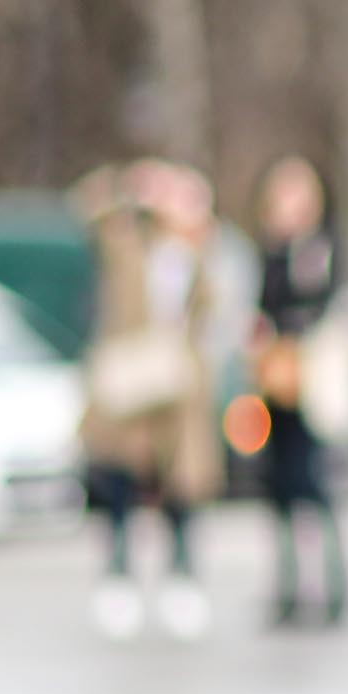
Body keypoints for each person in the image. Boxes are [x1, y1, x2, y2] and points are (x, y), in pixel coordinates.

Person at [72, 159, 223, 641]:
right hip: (129, 383)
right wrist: (133, 187)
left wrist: (194, 221)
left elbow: (212, 309)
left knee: (180, 483)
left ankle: (183, 577)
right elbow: (86, 206)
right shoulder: (123, 242)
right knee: (119, 476)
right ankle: (118, 575)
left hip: (178, 388)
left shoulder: (192, 254)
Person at [251, 157, 348, 627]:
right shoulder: (270, 253)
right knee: (280, 487)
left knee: (319, 485)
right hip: (277, 387)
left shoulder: (320, 250)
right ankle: (288, 588)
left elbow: (326, 307)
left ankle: (334, 587)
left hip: (312, 384)